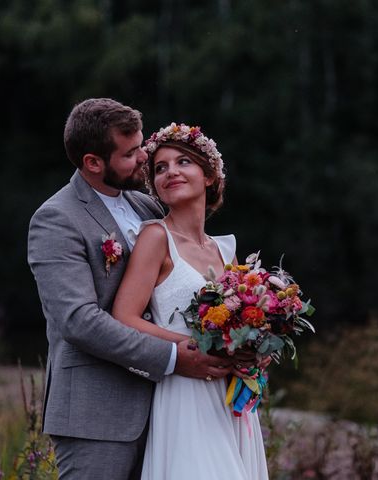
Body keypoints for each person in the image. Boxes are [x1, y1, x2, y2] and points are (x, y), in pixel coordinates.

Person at [27, 99, 230, 479]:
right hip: (97, 414)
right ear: (93, 162)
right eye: (131, 152)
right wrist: (173, 356)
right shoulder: (56, 219)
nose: (143, 157)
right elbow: (79, 321)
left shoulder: (145, 206)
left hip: (169, 411)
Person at [112, 123, 269, 479]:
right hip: (184, 392)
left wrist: (256, 347)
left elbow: (238, 323)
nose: (171, 172)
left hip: (228, 397)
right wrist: (192, 346)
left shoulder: (223, 248)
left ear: (210, 174)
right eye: (161, 168)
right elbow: (124, 317)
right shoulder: (155, 237)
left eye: (183, 161)